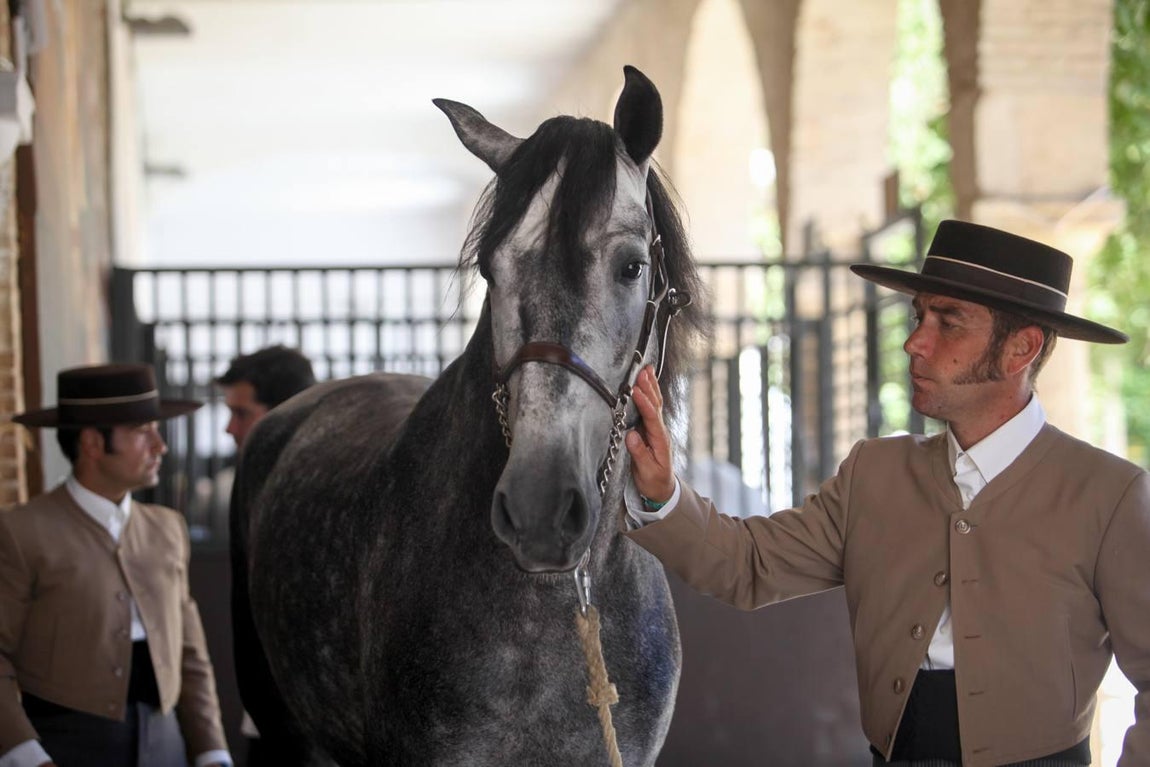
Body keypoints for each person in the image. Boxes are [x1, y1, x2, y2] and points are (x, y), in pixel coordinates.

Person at [623, 220, 1150, 766]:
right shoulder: (873, 473)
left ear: (1021, 349)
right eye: (921, 315)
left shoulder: (1109, 496)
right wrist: (663, 492)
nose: (914, 341)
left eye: (949, 323)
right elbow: (748, 565)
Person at [0, 363, 232, 767]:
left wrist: (213, 751)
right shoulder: (21, 532)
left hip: (167, 745)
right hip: (63, 746)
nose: (159, 446)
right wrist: (25, 753)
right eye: (143, 431)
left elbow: (190, 653)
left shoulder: (167, 529)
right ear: (92, 442)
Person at [214, 346, 315, 767]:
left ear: (282, 415)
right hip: (267, 723)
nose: (228, 428)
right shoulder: (254, 483)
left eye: (242, 413)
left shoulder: (322, 494)